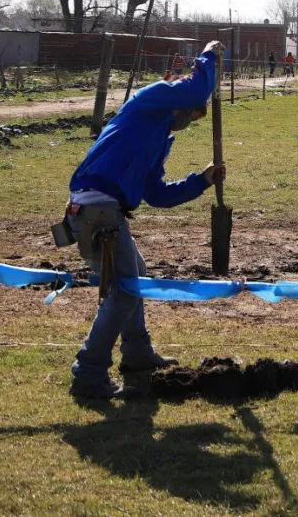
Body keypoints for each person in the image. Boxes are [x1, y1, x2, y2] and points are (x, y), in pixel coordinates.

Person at [64, 40, 227, 399]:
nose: (189, 120)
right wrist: (211, 54)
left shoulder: (157, 137)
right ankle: (89, 372)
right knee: (123, 292)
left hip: (106, 211)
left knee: (133, 278)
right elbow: (201, 85)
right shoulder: (150, 99)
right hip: (96, 210)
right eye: (191, 112)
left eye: (196, 117)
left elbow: (157, 195)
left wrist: (201, 181)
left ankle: (137, 353)